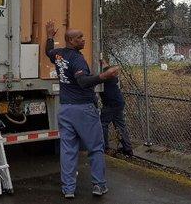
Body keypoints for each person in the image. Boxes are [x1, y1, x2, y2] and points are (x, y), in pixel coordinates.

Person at [45, 20, 120, 199]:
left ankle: (68, 188)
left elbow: (48, 51)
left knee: (68, 149)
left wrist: (49, 37)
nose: (83, 40)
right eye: (79, 38)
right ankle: (99, 185)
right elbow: (83, 82)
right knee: (95, 147)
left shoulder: (59, 55)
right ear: (71, 40)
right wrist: (104, 76)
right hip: (83, 109)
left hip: (65, 109)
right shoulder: (77, 59)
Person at [100, 61, 134, 157]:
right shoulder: (111, 76)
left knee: (102, 124)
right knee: (120, 125)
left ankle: (104, 147)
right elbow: (106, 66)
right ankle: (128, 149)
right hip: (118, 103)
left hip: (111, 104)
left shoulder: (105, 76)